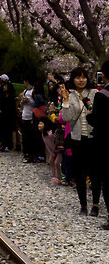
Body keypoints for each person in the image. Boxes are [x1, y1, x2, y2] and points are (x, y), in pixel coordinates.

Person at [60, 66, 101, 216]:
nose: (81, 80)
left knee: (95, 173)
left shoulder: (95, 93)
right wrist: (65, 100)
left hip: (93, 138)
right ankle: (83, 204)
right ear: (73, 80)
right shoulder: (69, 96)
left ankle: (95, 205)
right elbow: (66, 118)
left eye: (84, 77)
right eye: (78, 77)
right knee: (80, 173)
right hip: (77, 139)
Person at [87, 59, 109, 230]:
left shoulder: (101, 95)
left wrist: (89, 115)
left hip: (104, 143)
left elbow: (97, 121)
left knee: (106, 180)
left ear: (104, 75)